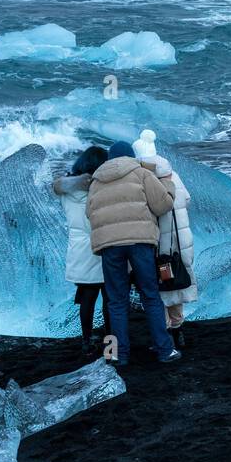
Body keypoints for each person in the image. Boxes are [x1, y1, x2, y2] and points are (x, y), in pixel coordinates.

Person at [87, 140, 180, 366]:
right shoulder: (141, 173)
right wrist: (169, 186)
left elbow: (90, 213)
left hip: (109, 245)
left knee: (117, 301)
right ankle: (164, 350)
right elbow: (162, 205)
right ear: (131, 156)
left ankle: (119, 354)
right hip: (140, 241)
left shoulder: (96, 181)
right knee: (150, 295)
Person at [131, 130, 198, 347]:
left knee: (158, 285)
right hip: (180, 239)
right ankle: (178, 328)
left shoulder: (143, 176)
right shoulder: (172, 173)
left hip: (160, 243)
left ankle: (166, 332)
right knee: (176, 281)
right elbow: (186, 199)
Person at [52, 145, 110, 353]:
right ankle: (110, 345)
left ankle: (86, 341)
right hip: (102, 246)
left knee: (87, 299)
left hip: (78, 249)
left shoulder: (67, 189)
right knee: (109, 300)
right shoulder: (99, 189)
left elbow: (56, 185)